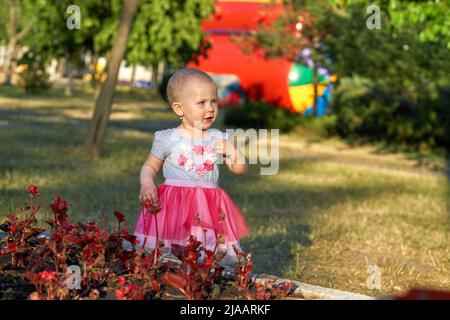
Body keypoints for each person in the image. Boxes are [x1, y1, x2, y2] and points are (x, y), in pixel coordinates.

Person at [133, 67, 250, 265]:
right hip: (174, 205)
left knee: (206, 251)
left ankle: (201, 278)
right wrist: (146, 183)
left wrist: (233, 152)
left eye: (213, 101)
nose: (210, 108)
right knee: (170, 250)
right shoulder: (168, 138)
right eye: (201, 103)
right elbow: (150, 166)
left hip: (208, 206)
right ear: (179, 109)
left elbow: (239, 169)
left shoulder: (218, 138)